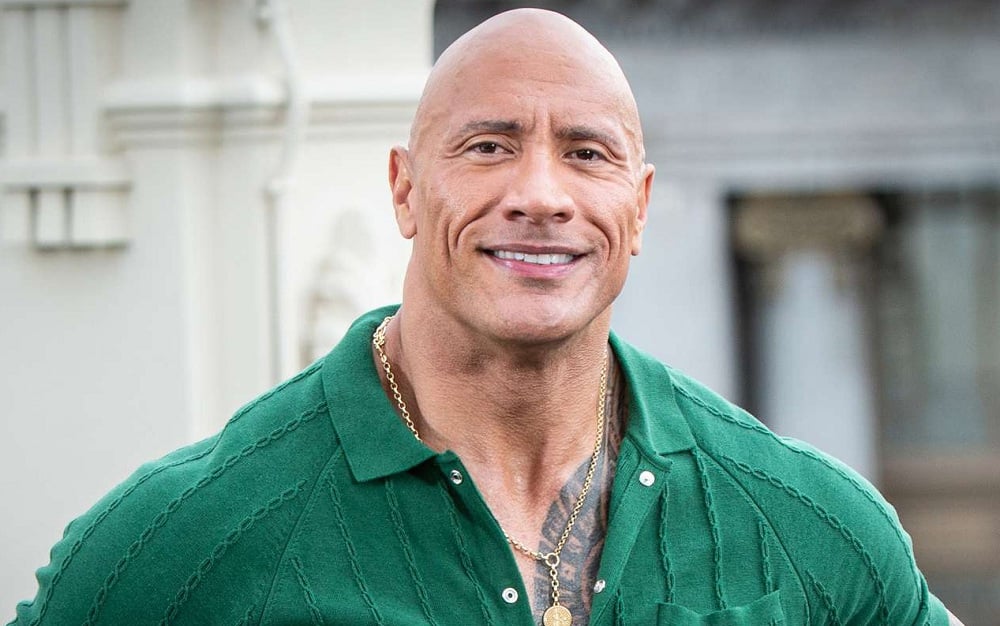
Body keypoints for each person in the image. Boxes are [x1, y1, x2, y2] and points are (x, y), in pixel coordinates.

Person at [9, 8, 963, 626]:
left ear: (638, 208)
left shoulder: (810, 523)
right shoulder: (194, 535)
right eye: (489, 146)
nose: (540, 195)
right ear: (404, 190)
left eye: (586, 153)